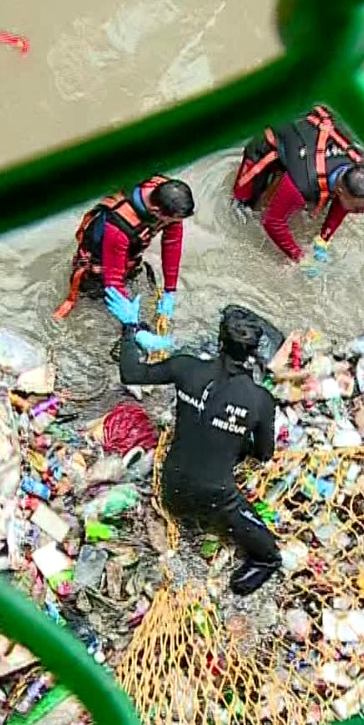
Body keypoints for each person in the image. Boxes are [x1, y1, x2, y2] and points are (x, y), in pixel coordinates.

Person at [108, 293, 282, 594]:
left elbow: (131, 372)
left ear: (219, 342)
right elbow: (265, 454)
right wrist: (234, 435)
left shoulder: (186, 367)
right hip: (215, 500)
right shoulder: (261, 400)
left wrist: (129, 330)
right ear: (254, 354)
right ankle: (254, 572)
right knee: (270, 555)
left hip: (171, 490)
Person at [231, 104, 364, 275]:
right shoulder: (304, 182)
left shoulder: (363, 167)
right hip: (280, 130)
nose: (361, 212)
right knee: (242, 209)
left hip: (308, 140)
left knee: (314, 199)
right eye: (358, 208)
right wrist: (299, 257)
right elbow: (272, 221)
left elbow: (343, 204)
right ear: (339, 190)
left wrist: (323, 240)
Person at [53, 175, 195, 350]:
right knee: (97, 307)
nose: (175, 224)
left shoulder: (167, 197)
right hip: (100, 266)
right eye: (172, 220)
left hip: (129, 258)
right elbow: (113, 280)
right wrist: (134, 328)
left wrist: (170, 290)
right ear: (156, 211)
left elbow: (172, 243)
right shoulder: (119, 226)